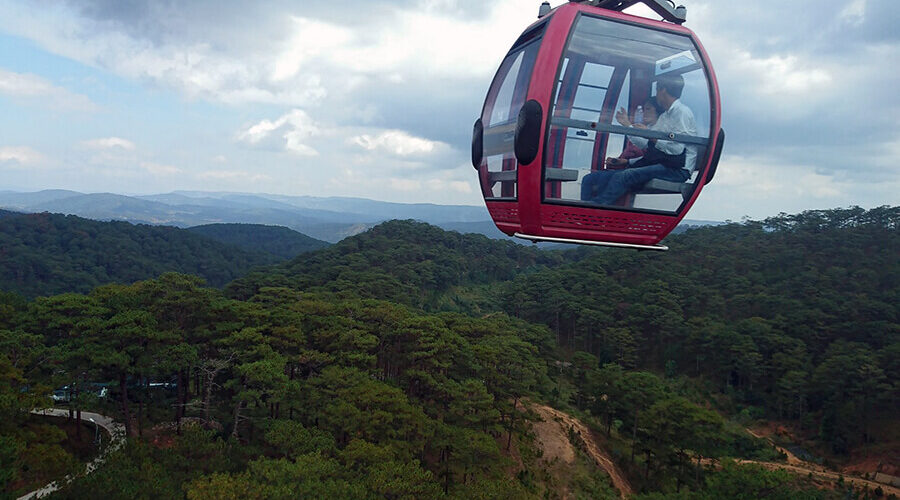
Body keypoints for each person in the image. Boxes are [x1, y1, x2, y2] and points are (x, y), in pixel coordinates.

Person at [580, 74, 697, 206]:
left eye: (657, 90)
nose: (657, 94)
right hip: (665, 164)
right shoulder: (665, 116)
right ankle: (587, 208)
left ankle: (596, 209)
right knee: (594, 178)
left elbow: (676, 149)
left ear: (662, 89)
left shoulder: (682, 113)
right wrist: (628, 126)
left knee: (623, 176)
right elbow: (646, 144)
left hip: (677, 170)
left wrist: (649, 134)